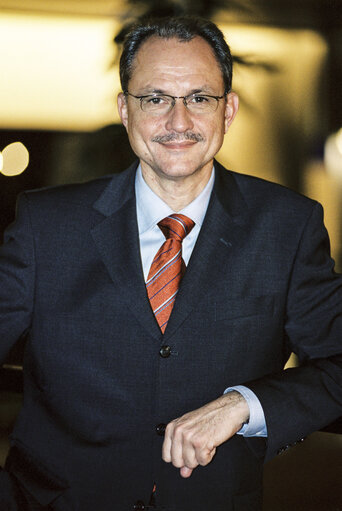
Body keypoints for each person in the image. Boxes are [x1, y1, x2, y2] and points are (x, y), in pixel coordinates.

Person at [0, 15, 341, 511]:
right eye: (155, 98)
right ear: (125, 109)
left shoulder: (288, 227)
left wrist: (246, 404)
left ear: (229, 110)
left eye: (199, 98)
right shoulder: (45, 225)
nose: (178, 122)